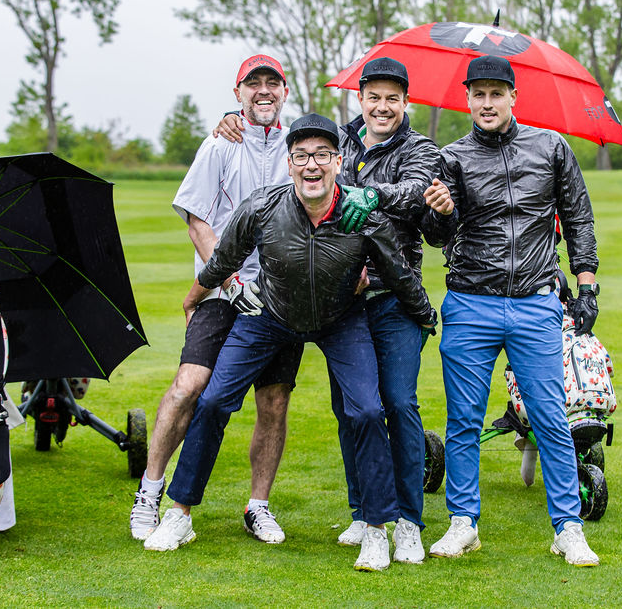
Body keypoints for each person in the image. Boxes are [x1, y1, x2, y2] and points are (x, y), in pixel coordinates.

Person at [143, 114, 437, 573]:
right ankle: (179, 513)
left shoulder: (363, 216)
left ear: (338, 162)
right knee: (214, 399)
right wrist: (194, 296)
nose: (311, 165)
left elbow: (398, 274)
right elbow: (223, 259)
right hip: (271, 317)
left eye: (321, 155)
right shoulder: (262, 206)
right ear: (289, 164)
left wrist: (424, 317)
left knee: (366, 410)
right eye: (301, 156)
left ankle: (376, 529)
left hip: (341, 321)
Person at [213, 57, 440, 565]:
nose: (383, 107)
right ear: (361, 99)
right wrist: (233, 118)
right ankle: (364, 512)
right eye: (374, 97)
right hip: (345, 299)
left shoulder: (421, 148)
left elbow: (413, 193)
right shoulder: (344, 141)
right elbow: (303, 154)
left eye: (393, 98)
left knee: (397, 405)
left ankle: (408, 520)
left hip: (393, 295)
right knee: (351, 409)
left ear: (406, 102)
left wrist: (370, 194)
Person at [421, 55, 602, 566]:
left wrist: (586, 284)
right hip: (470, 301)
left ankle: (568, 528)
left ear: (513, 97)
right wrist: (442, 212)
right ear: (467, 98)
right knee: (463, 420)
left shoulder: (550, 147)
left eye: (495, 94)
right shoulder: (452, 158)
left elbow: (578, 217)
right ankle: (463, 523)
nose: (486, 103)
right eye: (477, 94)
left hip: (536, 302)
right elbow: (436, 236)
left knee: (550, 418)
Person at [129, 54, 303, 546]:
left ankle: (258, 506)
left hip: (280, 295)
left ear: (285, 91)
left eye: (273, 83)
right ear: (238, 92)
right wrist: (228, 281)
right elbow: (197, 220)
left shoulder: (298, 146)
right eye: (254, 83)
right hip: (222, 290)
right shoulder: (220, 143)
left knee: (274, 400)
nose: (264, 90)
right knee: (189, 385)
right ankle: (149, 491)